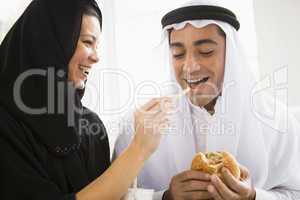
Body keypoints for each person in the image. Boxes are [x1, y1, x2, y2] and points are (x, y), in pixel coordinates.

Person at [113, 0, 300, 199]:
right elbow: (114, 195)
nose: (190, 67)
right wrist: (165, 197)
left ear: (231, 54)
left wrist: (254, 197)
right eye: (178, 54)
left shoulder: (278, 120)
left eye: (206, 52)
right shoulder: (138, 125)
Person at [0, 0, 170, 199]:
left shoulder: (90, 125)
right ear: (49, 41)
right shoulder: (6, 125)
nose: (96, 57)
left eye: (97, 45)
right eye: (88, 42)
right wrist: (140, 148)